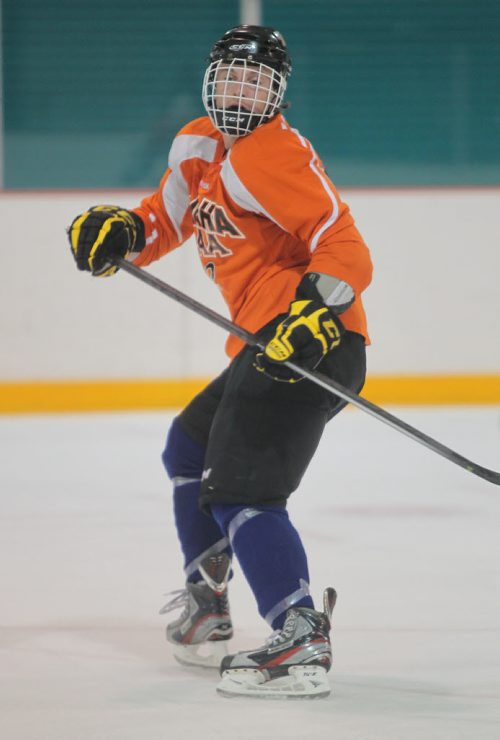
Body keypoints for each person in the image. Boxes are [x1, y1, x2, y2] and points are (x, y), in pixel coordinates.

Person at [68, 25, 373, 699]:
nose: (241, 92)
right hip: (264, 346)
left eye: (257, 83)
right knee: (189, 447)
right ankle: (208, 603)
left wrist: (311, 312)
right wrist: (126, 231)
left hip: (311, 342)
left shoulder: (275, 154)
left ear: (278, 94)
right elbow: (167, 220)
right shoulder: (197, 144)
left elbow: (346, 249)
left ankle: (299, 636)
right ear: (210, 79)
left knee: (245, 488)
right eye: (232, 78)